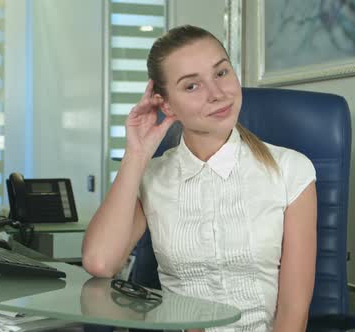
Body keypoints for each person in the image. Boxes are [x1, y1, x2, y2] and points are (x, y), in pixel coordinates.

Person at [82, 25, 317, 332]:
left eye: (221, 73)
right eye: (192, 86)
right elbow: (100, 262)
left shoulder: (290, 170)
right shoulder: (151, 178)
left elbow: (292, 314)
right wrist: (136, 155)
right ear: (166, 104)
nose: (217, 94)